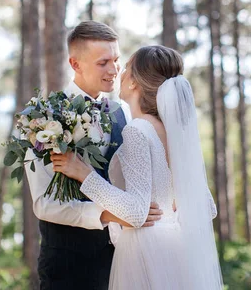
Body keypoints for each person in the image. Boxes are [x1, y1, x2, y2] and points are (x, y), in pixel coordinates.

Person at [52, 45, 224, 289]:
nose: (119, 72)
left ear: (133, 83)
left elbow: (135, 213)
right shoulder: (176, 133)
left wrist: (83, 174)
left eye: (127, 68)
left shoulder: (137, 130)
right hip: (174, 247)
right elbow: (207, 208)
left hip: (144, 251)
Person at [24, 21, 163, 290]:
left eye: (116, 60)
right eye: (103, 63)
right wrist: (108, 215)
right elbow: (44, 204)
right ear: (75, 64)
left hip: (124, 259)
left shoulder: (124, 112)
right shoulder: (42, 119)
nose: (114, 70)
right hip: (68, 265)